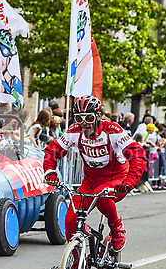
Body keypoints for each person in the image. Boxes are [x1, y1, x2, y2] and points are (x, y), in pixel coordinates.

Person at [43, 95, 146, 252]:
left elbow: (137, 155)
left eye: (89, 117)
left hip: (117, 180)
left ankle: (117, 228)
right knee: (70, 221)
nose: (84, 123)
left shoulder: (113, 130)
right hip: (90, 182)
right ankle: (75, 262)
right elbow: (52, 151)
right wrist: (50, 172)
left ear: (98, 116)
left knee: (102, 195)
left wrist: (130, 182)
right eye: (79, 118)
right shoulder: (75, 131)